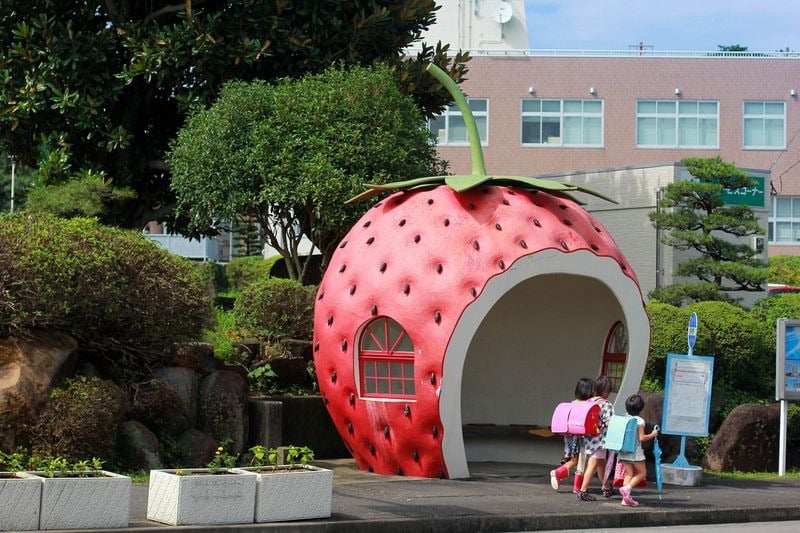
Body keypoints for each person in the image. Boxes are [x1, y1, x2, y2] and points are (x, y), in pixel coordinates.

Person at [549, 377, 594, 491]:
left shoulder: (572, 404)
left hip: (570, 437)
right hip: (583, 438)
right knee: (581, 463)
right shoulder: (589, 405)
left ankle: (560, 473)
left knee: (574, 460)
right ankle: (575, 485)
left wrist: (565, 437)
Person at [576, 375, 614, 502]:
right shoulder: (607, 404)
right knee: (592, 464)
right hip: (600, 439)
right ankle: (583, 491)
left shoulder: (589, 402)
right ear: (605, 391)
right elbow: (609, 422)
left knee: (600, 463)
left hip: (589, 438)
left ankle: (606, 486)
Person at [617, 394, 659, 507]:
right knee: (642, 473)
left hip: (623, 451)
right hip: (635, 452)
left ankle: (625, 499)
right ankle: (627, 488)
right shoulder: (640, 421)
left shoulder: (625, 418)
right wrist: (653, 434)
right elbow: (642, 438)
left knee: (629, 474)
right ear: (640, 407)